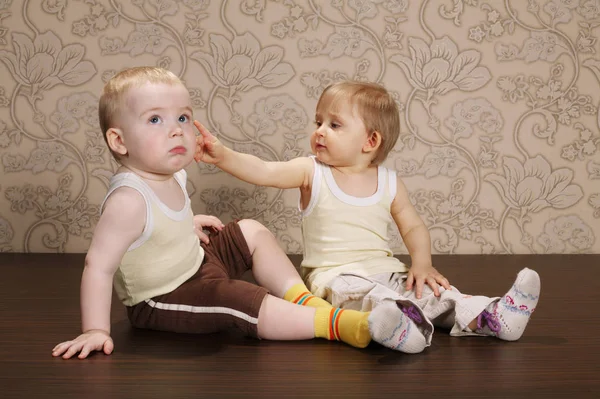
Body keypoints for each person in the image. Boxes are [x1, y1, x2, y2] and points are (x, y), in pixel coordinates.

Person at [52, 68, 427, 360]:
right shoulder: (127, 200)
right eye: (155, 120)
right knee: (236, 297)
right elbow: (97, 266)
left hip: (196, 262)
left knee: (249, 229)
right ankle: (345, 325)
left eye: (183, 118)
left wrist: (187, 225)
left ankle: (303, 299)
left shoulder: (171, 175)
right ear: (119, 141)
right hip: (164, 296)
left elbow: (159, 222)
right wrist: (96, 330)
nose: (176, 131)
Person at [193, 80, 541, 353]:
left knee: (439, 295)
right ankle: (401, 327)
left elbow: (413, 226)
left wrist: (422, 264)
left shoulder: (389, 182)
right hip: (335, 278)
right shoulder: (311, 172)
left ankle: (494, 315)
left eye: (334, 124)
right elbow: (265, 170)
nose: (319, 131)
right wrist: (222, 155)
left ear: (370, 140)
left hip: (387, 271)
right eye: (318, 121)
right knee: (370, 298)